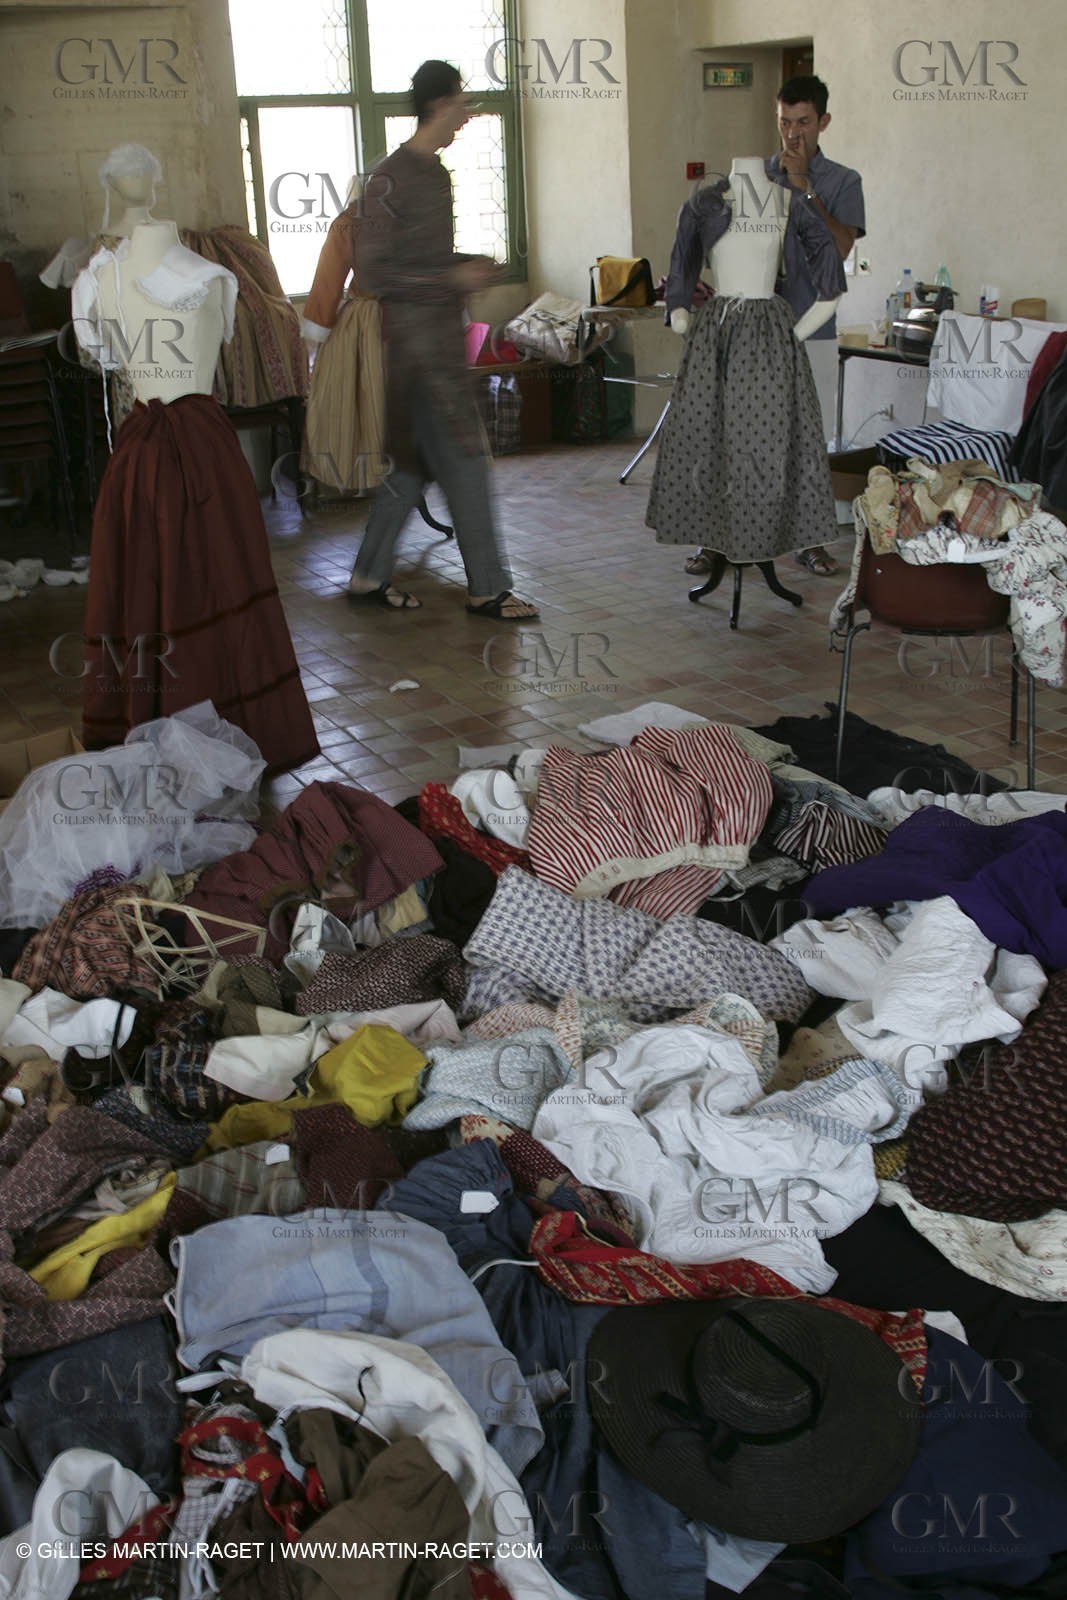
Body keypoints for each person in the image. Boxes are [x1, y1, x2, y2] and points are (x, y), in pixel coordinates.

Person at [346, 59, 538, 619]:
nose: (468, 113)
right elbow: (375, 276)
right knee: (466, 461)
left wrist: (464, 265)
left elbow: (422, 261)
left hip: (440, 345)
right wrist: (449, 279)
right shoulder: (387, 178)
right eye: (462, 102)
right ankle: (487, 587)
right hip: (413, 356)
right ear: (437, 105)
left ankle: (366, 575)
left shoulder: (435, 174)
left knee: (411, 468)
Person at [685, 73, 865, 581]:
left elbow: (843, 248)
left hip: (812, 327)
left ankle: (808, 542)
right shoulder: (751, 179)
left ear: (823, 122)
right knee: (728, 436)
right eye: (785, 122)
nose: (793, 135)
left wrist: (806, 192)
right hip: (748, 335)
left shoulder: (842, 181)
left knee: (807, 444)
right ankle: (715, 542)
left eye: (804, 123)